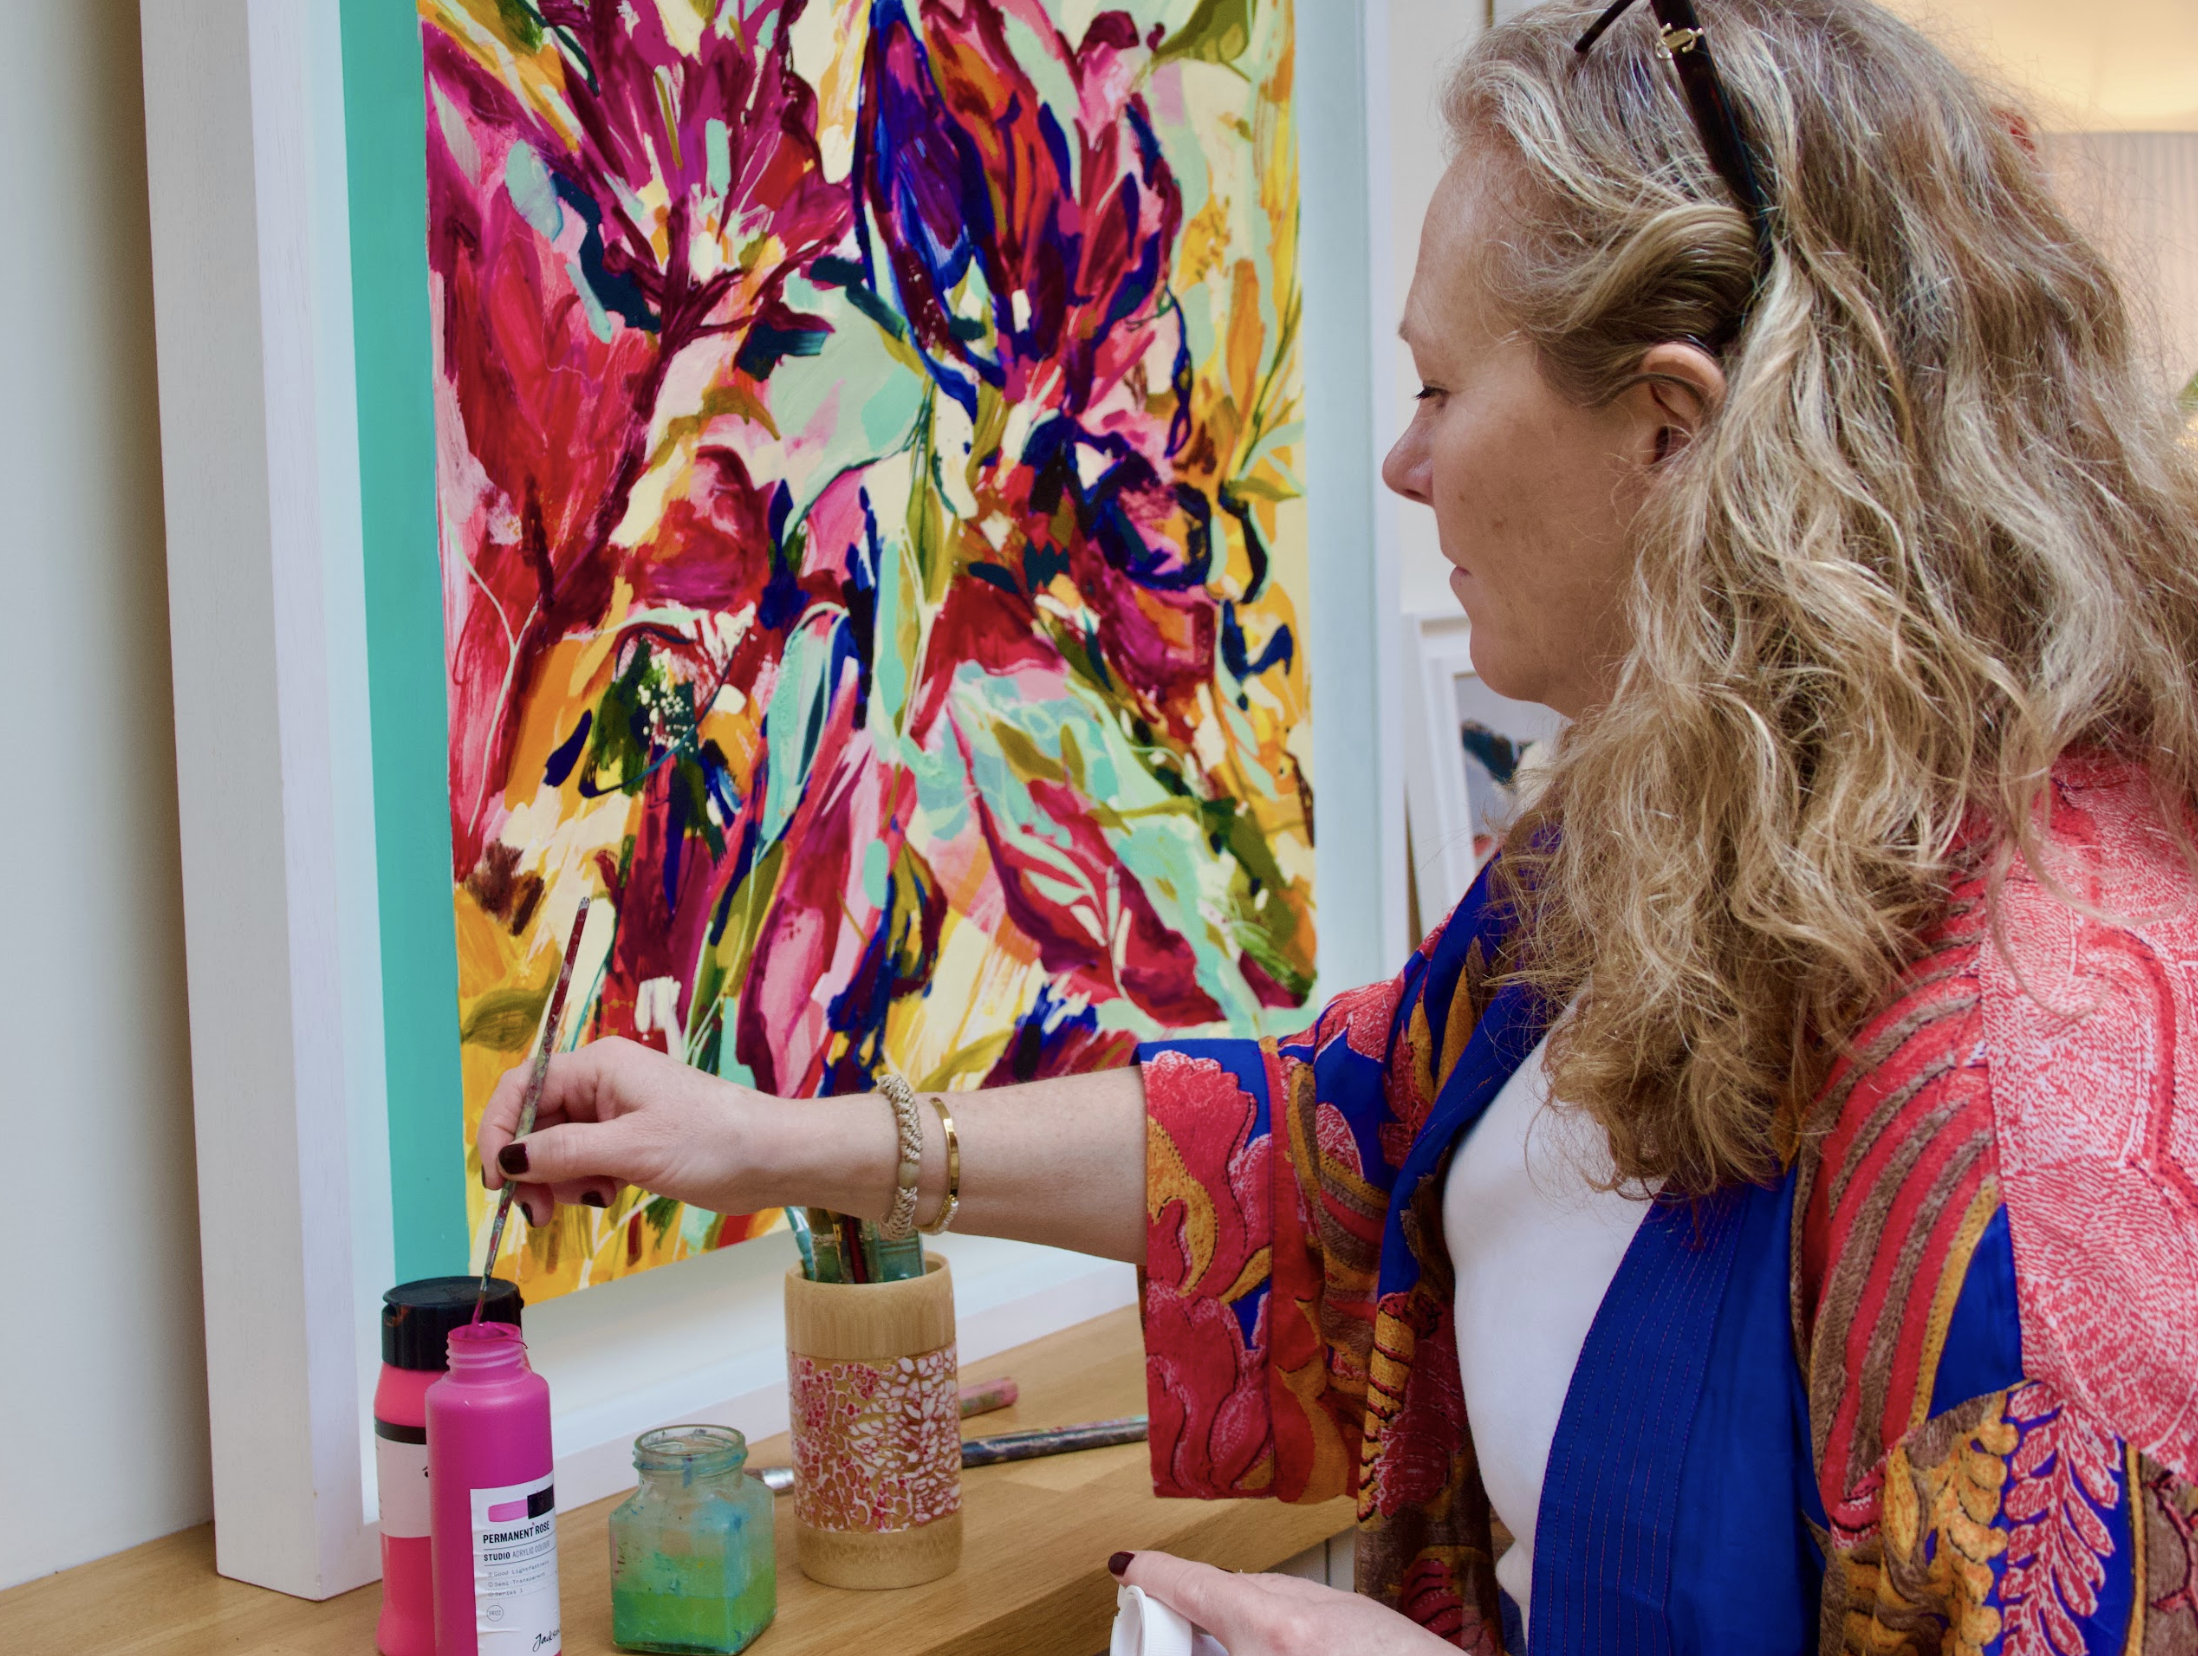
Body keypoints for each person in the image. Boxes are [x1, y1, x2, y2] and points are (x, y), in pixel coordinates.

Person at [479, 0, 2198, 1648]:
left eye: (1442, 390)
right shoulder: (1678, 821)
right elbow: (1356, 1131)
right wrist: (787, 1143)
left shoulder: (2026, 1142)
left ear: (1672, 433)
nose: (1399, 461)